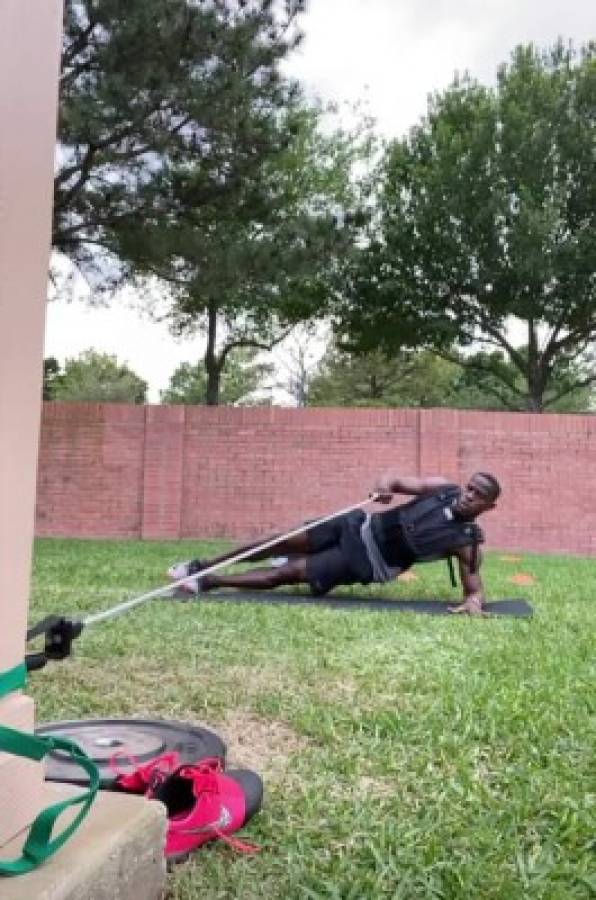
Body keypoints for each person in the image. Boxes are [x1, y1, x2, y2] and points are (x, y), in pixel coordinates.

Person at [168, 471, 501, 616]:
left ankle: (207, 582)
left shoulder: (467, 541)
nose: (469, 496)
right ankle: (205, 564)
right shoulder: (442, 487)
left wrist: (474, 601)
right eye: (470, 488)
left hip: (369, 562)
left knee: (288, 575)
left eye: (478, 496)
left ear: (488, 507)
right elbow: (395, 479)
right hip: (357, 526)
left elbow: (474, 588)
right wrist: (382, 486)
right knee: (277, 541)